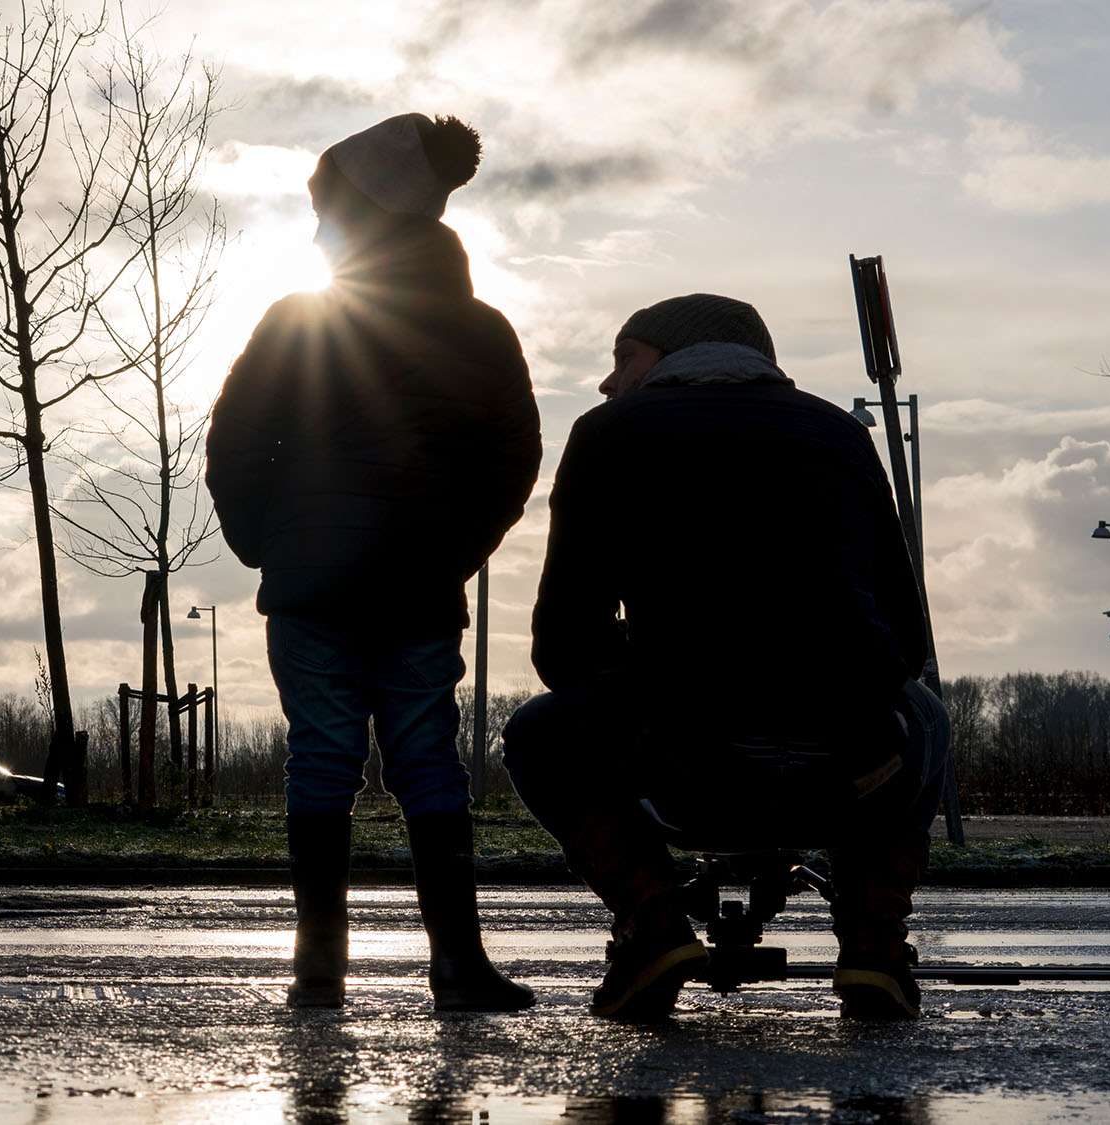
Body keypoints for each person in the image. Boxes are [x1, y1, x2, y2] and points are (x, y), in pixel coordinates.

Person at [501, 293, 950, 1021]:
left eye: (625, 358)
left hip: (684, 762)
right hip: (844, 766)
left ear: (672, 358)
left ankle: (654, 925)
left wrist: (638, 672)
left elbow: (564, 645)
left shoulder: (608, 433)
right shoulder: (840, 433)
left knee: (535, 731)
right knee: (924, 715)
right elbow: (907, 638)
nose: (608, 381)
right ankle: (875, 944)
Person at [206, 113, 543, 1011]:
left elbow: (237, 442)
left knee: (320, 760)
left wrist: (267, 543)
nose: (316, 228)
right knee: (429, 764)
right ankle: (458, 965)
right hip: (420, 588)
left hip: (313, 588)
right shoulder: (484, 331)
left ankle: (319, 968)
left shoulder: (298, 318)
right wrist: (458, 551)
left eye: (329, 210)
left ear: (366, 216)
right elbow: (512, 462)